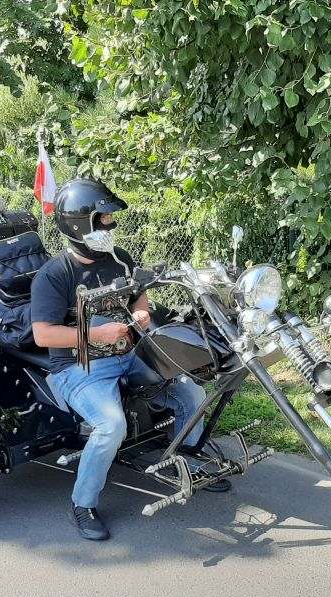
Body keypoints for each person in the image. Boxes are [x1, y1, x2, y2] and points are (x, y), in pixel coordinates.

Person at [30, 178, 229, 541]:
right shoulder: (54, 275)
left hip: (129, 353)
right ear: (79, 224)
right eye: (102, 219)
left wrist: (141, 315)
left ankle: (182, 462)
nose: (110, 224)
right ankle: (82, 503)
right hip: (78, 368)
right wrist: (94, 334)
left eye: (108, 218)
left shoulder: (119, 258)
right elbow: (43, 335)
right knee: (111, 426)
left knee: (192, 393)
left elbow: (139, 296)